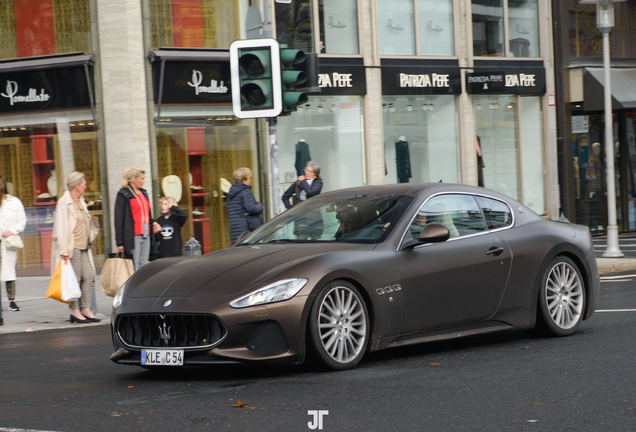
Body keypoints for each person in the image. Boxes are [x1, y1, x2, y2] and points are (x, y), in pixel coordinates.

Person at [51, 172, 100, 323]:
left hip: (85, 245)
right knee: (75, 279)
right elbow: (60, 227)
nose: (85, 186)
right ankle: (75, 311)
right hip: (72, 247)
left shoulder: (81, 201)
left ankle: (85, 309)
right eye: (84, 183)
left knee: (89, 276)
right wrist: (63, 250)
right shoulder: (64, 202)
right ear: (77, 185)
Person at [114, 168, 160, 271]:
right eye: (142, 179)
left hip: (146, 234)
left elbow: (146, 213)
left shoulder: (144, 193)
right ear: (133, 179)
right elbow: (118, 219)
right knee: (134, 266)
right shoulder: (123, 194)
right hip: (133, 235)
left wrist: (154, 223)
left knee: (143, 265)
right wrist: (119, 242)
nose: (144, 181)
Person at [0, 175, 26, 312]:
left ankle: (12, 301)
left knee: (9, 272)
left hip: (8, 242)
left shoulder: (14, 202)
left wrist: (12, 230)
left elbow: (22, 220)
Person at [226, 167, 263, 244]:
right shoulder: (244, 191)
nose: (249, 180)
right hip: (245, 226)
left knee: (237, 250)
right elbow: (251, 208)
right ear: (243, 180)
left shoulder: (230, 193)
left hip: (234, 227)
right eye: (248, 178)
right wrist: (260, 206)